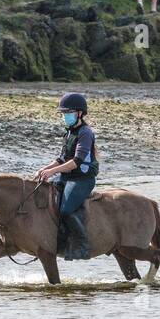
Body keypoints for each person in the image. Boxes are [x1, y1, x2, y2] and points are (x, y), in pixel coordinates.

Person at [34, 93, 100, 260]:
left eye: (68, 113)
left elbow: (77, 161)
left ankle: (82, 246)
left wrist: (53, 172)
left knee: (65, 210)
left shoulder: (85, 133)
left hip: (81, 179)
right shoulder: (69, 133)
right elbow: (62, 159)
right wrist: (45, 169)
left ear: (79, 113)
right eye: (63, 113)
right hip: (66, 177)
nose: (65, 116)